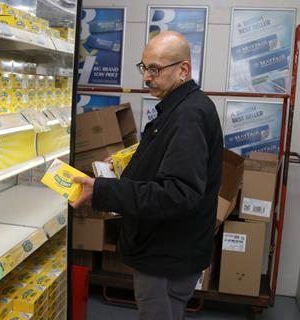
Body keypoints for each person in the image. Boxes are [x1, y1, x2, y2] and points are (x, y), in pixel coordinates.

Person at [71, 31, 224, 320]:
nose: (147, 77)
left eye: (155, 69)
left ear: (183, 70)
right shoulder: (181, 107)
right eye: (144, 68)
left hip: (164, 255)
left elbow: (178, 192)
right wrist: (124, 165)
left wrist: (102, 191)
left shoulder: (188, 115)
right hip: (172, 249)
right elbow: (166, 160)